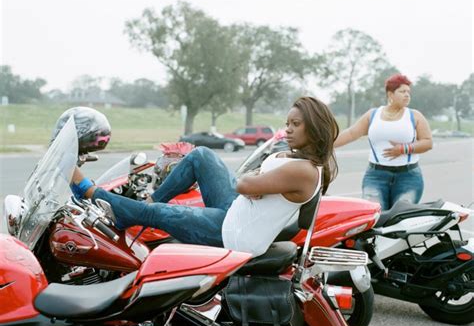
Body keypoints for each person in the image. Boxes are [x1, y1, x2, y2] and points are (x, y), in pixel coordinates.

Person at [71, 96, 339, 257]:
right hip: (236, 210)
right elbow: (248, 181)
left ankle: (95, 195)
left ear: (314, 129)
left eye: (296, 124)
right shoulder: (296, 158)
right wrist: (253, 182)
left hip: (234, 232)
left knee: (163, 214)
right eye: (287, 123)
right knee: (201, 155)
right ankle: (150, 200)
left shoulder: (301, 170)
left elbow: (243, 183)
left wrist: (252, 182)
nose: (288, 130)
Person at [334, 74, 433, 210]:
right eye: (402, 91)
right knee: (374, 215)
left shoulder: (414, 115)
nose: (407, 95)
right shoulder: (373, 115)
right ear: (390, 94)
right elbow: (351, 133)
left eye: (408, 92)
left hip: (409, 177)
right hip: (376, 176)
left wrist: (404, 149)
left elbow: (428, 142)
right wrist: (325, 145)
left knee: (400, 219)